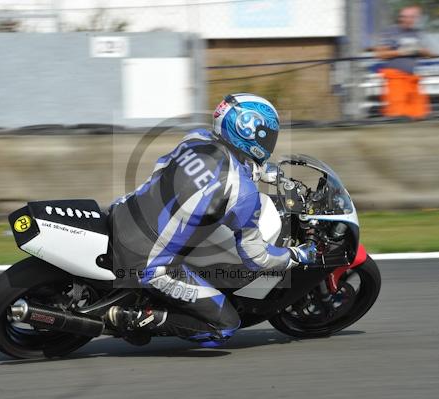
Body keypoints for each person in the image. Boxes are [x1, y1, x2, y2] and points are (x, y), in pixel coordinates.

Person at [105, 93, 317, 347]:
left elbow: (163, 169)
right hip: (146, 263)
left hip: (121, 212)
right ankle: (135, 318)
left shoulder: (196, 138)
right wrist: (295, 255)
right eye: (267, 135)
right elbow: (256, 258)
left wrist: (262, 171)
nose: (269, 141)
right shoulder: (244, 194)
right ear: (251, 133)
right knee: (225, 325)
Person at [375, 6, 432, 119]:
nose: (408, 20)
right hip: (396, 79)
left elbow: (432, 54)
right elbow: (380, 54)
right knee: (397, 114)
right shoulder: (390, 32)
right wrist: (400, 52)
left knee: (419, 114)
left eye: (412, 17)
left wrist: (420, 50)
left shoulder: (417, 33)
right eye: (405, 17)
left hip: (412, 79)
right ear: (400, 18)